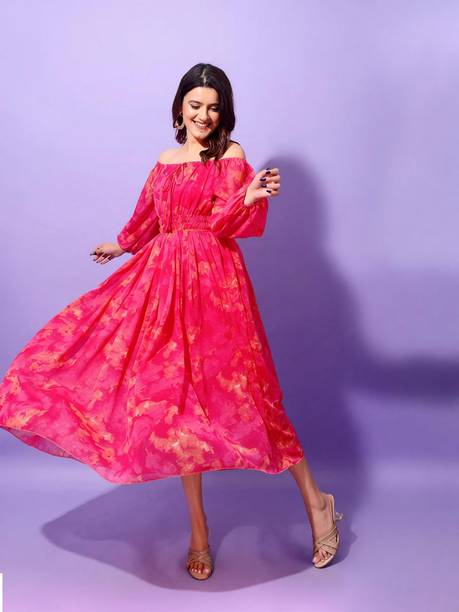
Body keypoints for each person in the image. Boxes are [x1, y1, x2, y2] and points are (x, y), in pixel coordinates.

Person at [0, 62, 343, 579]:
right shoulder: (165, 160)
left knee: (253, 399)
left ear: (224, 112)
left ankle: (318, 503)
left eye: (213, 107)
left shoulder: (231, 156)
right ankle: (199, 531)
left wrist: (248, 196)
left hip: (217, 289)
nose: (204, 115)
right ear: (179, 107)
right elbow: (150, 217)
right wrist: (122, 244)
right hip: (164, 288)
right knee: (178, 410)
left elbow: (226, 223)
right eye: (195, 105)